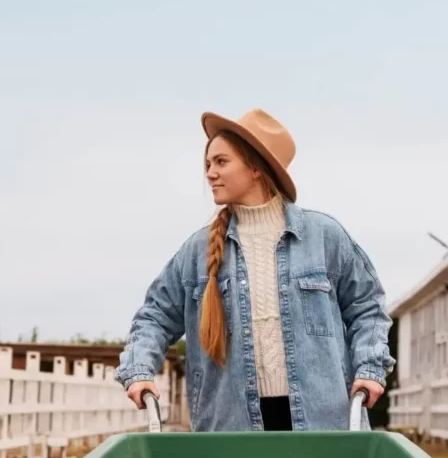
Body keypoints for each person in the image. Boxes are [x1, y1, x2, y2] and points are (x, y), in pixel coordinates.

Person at [114, 108, 395, 432]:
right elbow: (154, 316)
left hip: (322, 425)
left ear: (256, 168)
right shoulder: (197, 251)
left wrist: (369, 368)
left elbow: (368, 308)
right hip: (232, 431)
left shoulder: (324, 237)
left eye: (221, 162)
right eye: (207, 164)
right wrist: (139, 369)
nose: (210, 173)